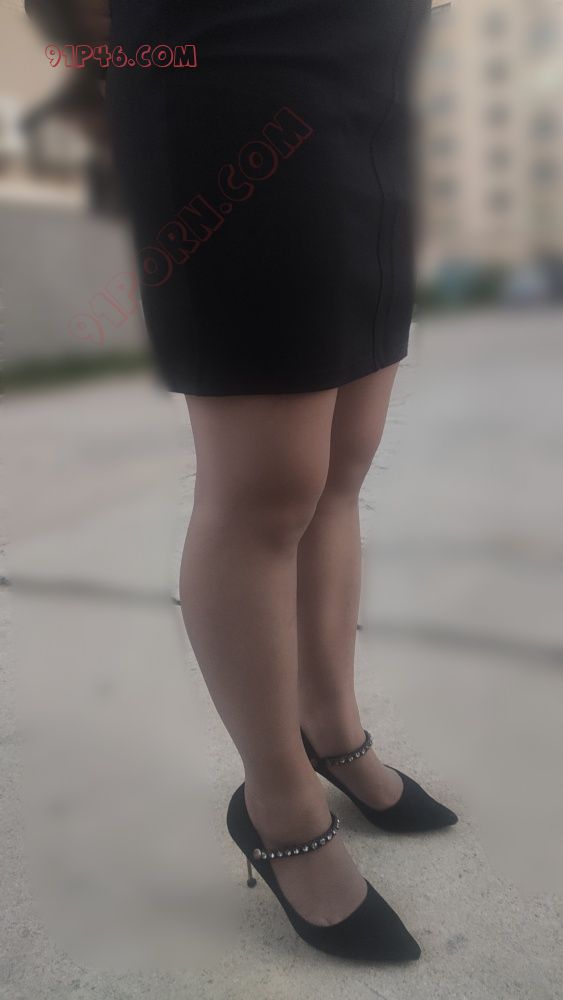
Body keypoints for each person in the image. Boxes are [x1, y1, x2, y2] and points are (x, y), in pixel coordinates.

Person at [26, 0, 457, 963]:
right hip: (226, 59)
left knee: (342, 461)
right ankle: (279, 807)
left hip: (370, 65)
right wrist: (127, 63)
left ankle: (332, 734)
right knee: (266, 487)